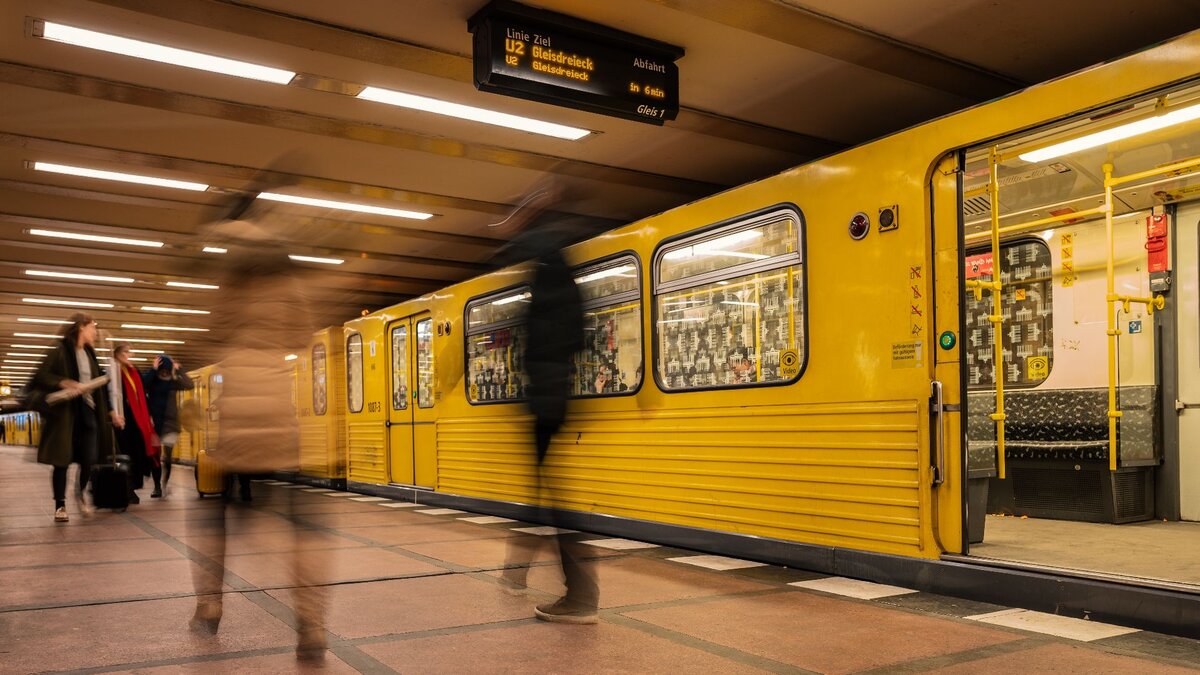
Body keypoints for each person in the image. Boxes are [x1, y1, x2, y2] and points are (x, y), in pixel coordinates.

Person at [188, 207, 326, 660]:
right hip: (278, 416)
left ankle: (210, 604)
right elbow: (304, 336)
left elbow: (214, 331)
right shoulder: (289, 283)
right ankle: (311, 624)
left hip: (238, 417)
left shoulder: (233, 279)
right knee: (303, 525)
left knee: (213, 515)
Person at [492, 180, 599, 624]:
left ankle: (581, 596)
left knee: (552, 496)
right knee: (544, 488)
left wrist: (521, 219)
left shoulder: (550, 255)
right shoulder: (557, 260)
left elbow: (557, 329)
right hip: (553, 388)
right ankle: (519, 570)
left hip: (549, 391)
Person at [29, 313, 113, 522]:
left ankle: (80, 493)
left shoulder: (90, 354)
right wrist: (63, 381)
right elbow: (40, 376)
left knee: (89, 459)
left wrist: (111, 411)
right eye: (92, 327)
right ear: (81, 328)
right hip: (66, 415)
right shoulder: (59, 350)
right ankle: (60, 505)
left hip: (89, 412)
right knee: (62, 460)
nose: (95, 332)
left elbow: (100, 385)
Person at [108, 343, 158, 503]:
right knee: (126, 453)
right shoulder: (113, 371)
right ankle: (127, 488)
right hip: (124, 421)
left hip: (138, 421)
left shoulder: (133, 371)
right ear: (117, 355)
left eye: (130, 352)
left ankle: (132, 486)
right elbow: (112, 395)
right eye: (126, 352)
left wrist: (149, 415)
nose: (129, 355)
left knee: (138, 452)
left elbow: (143, 393)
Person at [143, 354, 194, 497]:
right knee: (155, 457)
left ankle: (164, 483)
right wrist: (153, 370)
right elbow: (143, 385)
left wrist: (180, 370)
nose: (164, 373)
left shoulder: (174, 382)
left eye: (167, 370)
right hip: (155, 424)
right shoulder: (152, 380)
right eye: (162, 370)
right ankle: (157, 487)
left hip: (171, 424)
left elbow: (190, 385)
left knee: (168, 457)